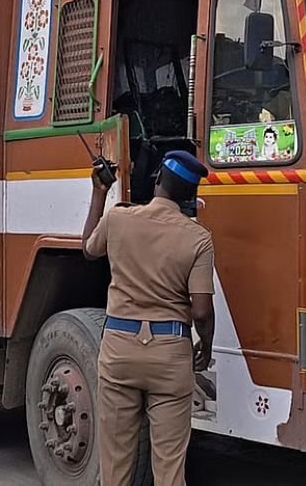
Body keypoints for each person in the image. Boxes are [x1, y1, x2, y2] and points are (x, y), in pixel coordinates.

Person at [82, 151, 216, 486]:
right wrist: (207, 346)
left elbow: (88, 248)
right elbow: (200, 310)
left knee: (115, 466)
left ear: (157, 180)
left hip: (119, 350)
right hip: (170, 355)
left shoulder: (119, 219)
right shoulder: (198, 238)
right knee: (170, 471)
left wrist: (99, 192)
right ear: (189, 196)